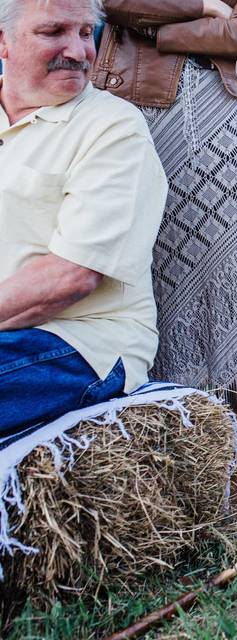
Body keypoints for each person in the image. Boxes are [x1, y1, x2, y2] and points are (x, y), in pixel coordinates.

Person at [92, 0, 237, 500]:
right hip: (142, 118)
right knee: (151, 282)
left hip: (226, 123)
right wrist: (206, 9)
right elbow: (114, 2)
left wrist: (159, 31)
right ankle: (166, 460)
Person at [0, 0, 166, 435]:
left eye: (85, 31)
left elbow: (72, 277)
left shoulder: (113, 128)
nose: (78, 50)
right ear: (3, 41)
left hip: (81, 340)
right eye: (53, 32)